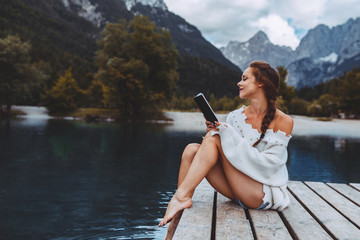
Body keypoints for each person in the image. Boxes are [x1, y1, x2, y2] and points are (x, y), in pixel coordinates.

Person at [159, 61, 294, 237]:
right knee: (191, 150)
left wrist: (226, 135)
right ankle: (176, 219)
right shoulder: (235, 116)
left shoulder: (284, 121)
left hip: (259, 193)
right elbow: (223, 153)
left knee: (216, 138)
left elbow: (269, 167)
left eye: (245, 79)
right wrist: (220, 132)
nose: (239, 83)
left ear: (261, 83)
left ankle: (179, 198)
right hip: (235, 187)